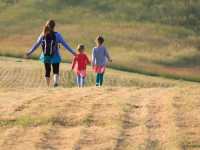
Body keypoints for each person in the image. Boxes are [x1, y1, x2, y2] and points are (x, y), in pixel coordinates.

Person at [23, 20, 77, 87]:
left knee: (47, 71)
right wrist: (73, 52)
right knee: (56, 71)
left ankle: (48, 86)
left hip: (46, 56)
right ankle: (55, 82)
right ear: (54, 26)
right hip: (55, 55)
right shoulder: (57, 35)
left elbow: (36, 44)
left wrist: (29, 53)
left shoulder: (43, 34)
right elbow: (65, 44)